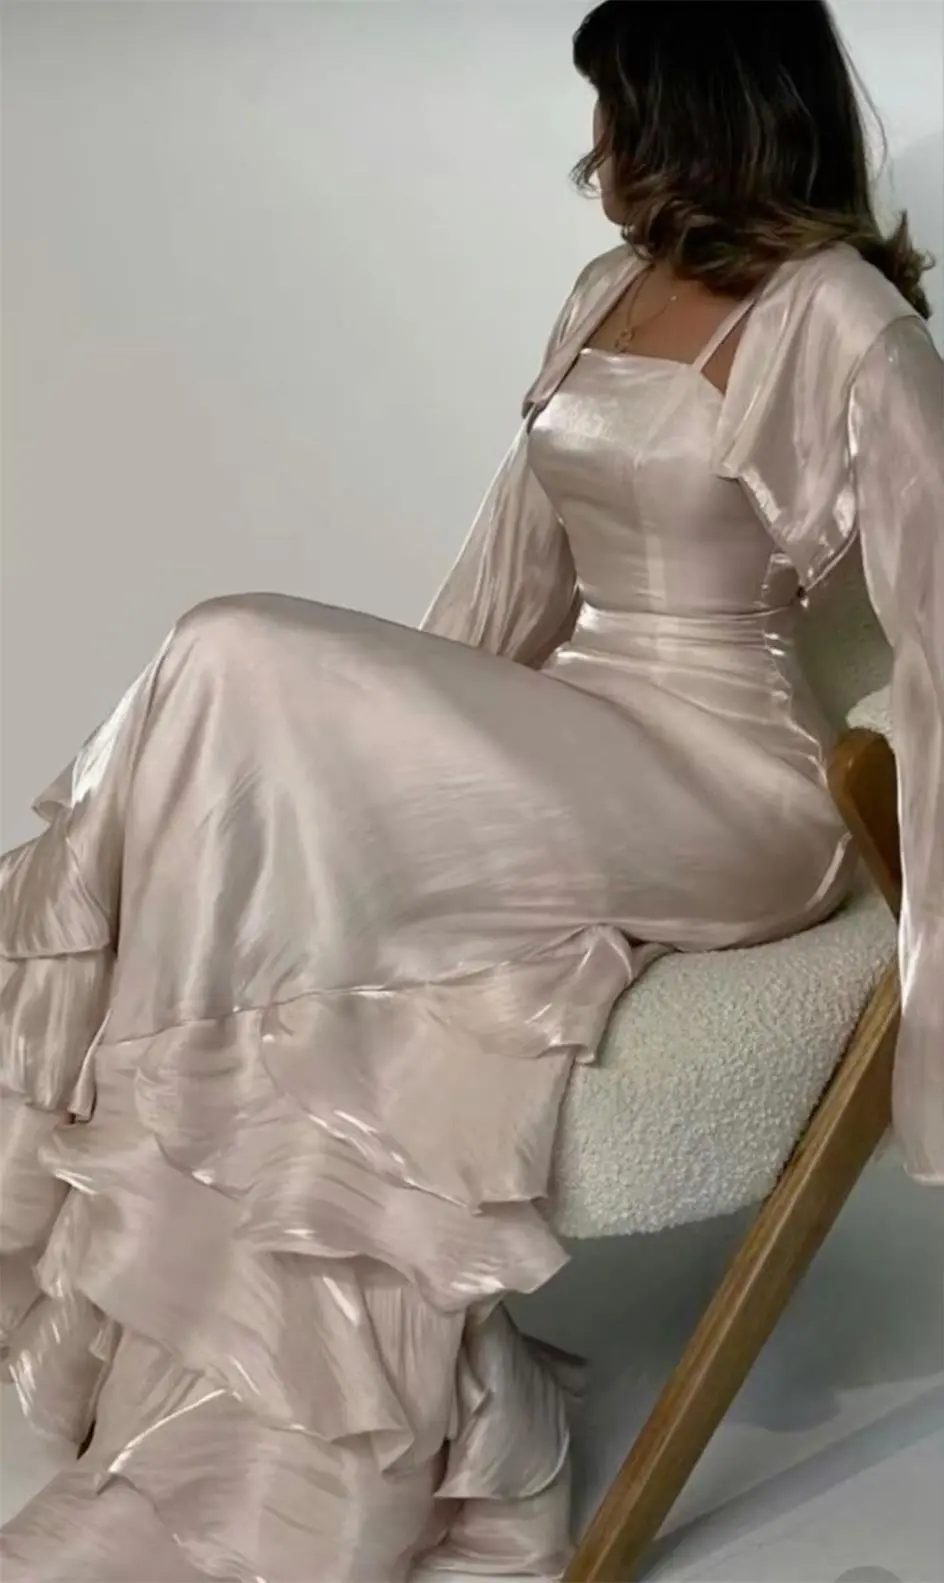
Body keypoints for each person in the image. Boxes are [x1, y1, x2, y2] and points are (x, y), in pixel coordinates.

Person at [1, 1, 941, 1576]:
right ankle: (213, 1401)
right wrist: (382, 750)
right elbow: (508, 583)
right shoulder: (605, 293)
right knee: (266, 791)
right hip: (581, 736)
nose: (602, 148)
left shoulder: (842, 321)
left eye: (623, 108)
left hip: (735, 786)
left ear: (707, 111)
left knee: (228, 650)